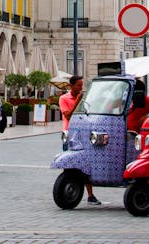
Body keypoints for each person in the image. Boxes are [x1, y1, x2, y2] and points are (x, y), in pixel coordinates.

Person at [59, 75, 101, 206]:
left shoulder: (85, 98)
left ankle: (90, 195)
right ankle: (68, 191)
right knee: (69, 165)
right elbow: (68, 115)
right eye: (78, 85)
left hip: (83, 133)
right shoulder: (63, 98)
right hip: (69, 133)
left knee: (86, 164)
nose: (81, 88)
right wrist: (77, 101)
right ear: (71, 85)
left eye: (82, 85)